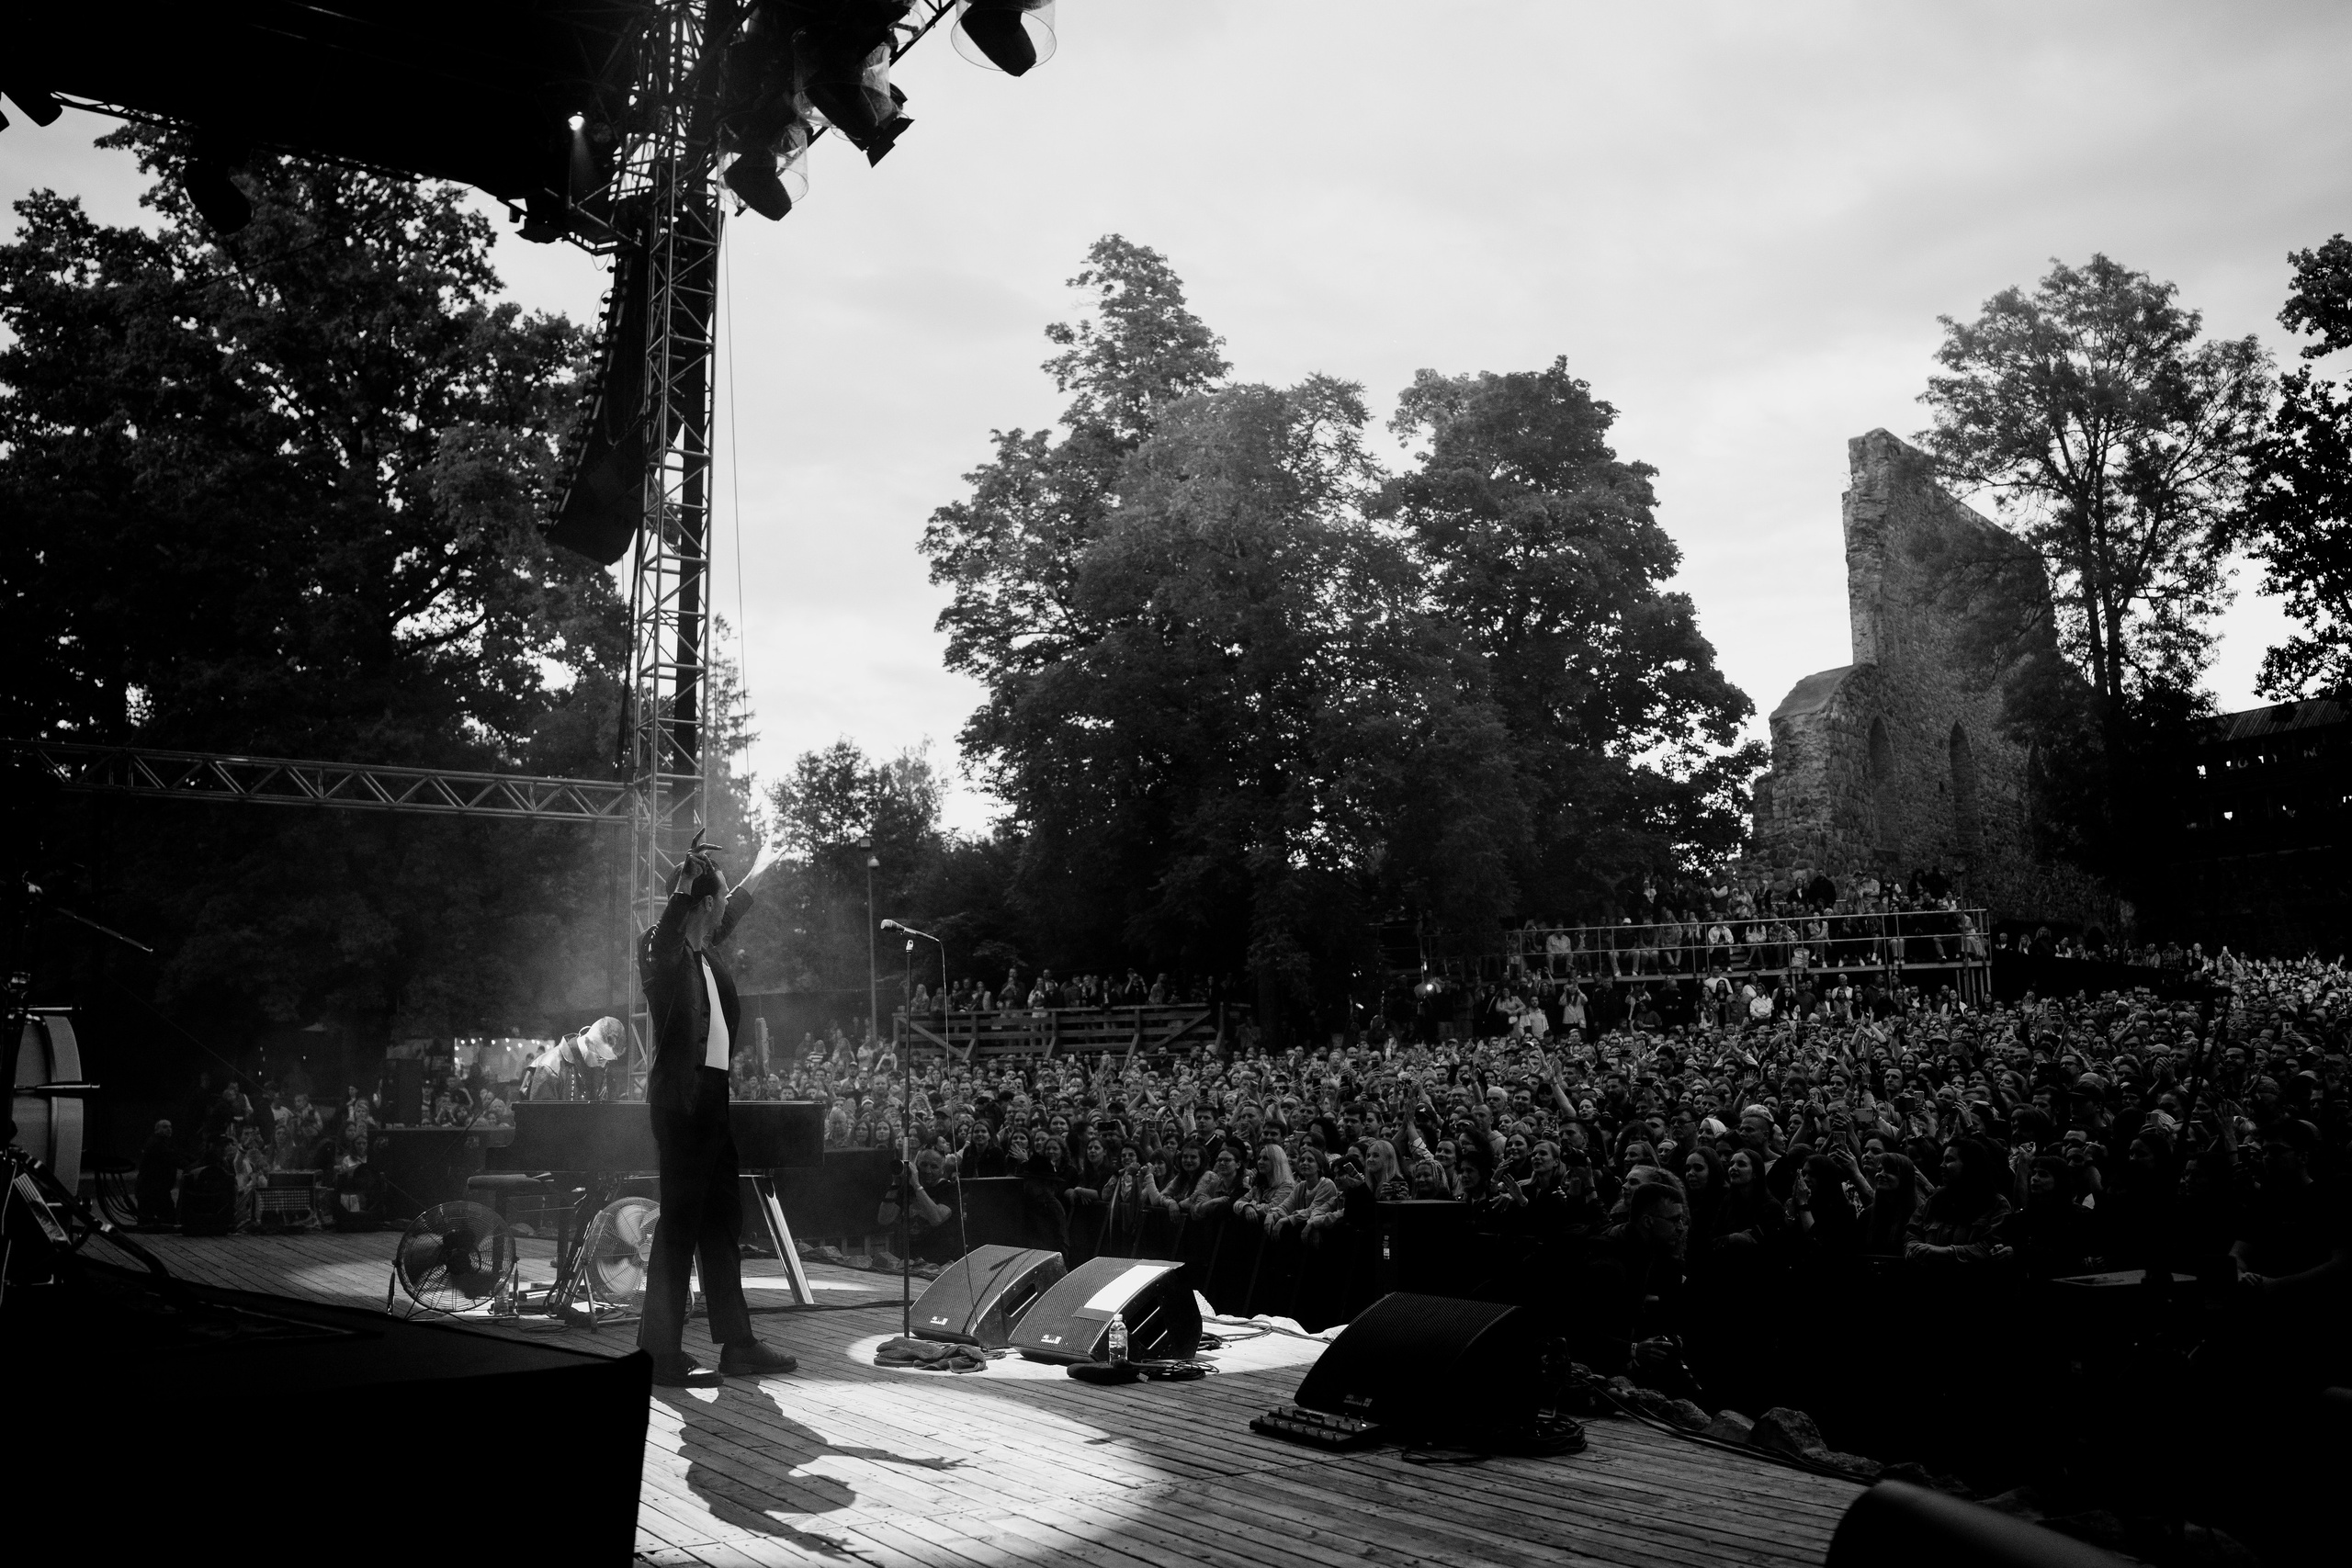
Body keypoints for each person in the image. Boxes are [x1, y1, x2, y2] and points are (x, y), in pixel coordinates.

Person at [635, 837, 794, 1388]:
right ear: (702, 903)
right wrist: (683, 884)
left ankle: (738, 1345)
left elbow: (726, 915)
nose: (726, 903)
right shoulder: (662, 949)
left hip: (713, 1098)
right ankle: (658, 1351)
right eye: (720, 895)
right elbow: (665, 940)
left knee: (723, 1221)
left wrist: (757, 870)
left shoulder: (703, 952)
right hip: (683, 1102)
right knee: (679, 1223)